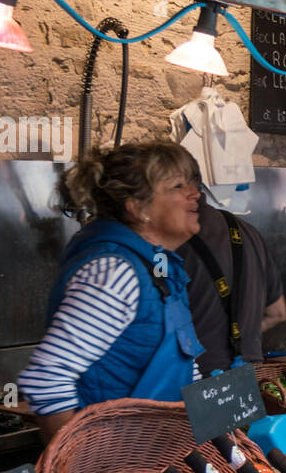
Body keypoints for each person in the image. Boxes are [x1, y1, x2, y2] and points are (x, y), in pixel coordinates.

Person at [20, 142, 204, 441]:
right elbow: (47, 378)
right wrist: (75, 465)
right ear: (138, 208)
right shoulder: (115, 272)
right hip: (111, 465)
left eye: (193, 183)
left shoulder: (158, 265)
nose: (195, 193)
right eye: (178, 185)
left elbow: (182, 364)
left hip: (153, 458)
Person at [180, 191, 286, 373]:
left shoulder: (169, 243)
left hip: (199, 380)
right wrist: (243, 334)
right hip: (250, 373)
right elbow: (277, 313)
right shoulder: (249, 231)